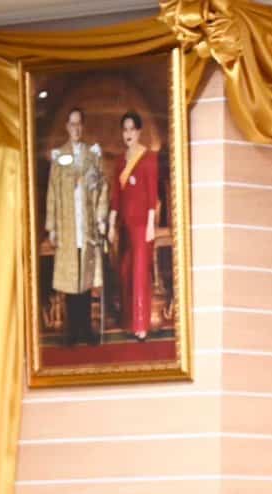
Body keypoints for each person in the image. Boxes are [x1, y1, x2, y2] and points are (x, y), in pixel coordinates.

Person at [45, 107, 108, 346]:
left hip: (87, 225)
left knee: (86, 277)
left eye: (79, 123)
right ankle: (72, 331)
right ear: (66, 127)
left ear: (83, 125)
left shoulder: (92, 155)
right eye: (72, 124)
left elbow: (101, 187)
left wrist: (101, 218)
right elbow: (52, 192)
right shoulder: (59, 156)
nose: (76, 128)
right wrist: (52, 227)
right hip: (68, 226)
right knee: (71, 278)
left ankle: (86, 329)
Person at [109, 111, 159, 341]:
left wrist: (150, 225)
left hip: (141, 226)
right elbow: (116, 197)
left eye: (132, 129)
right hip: (125, 227)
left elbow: (152, 194)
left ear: (139, 131)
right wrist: (111, 224)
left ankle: (141, 326)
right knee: (126, 272)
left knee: (140, 274)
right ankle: (129, 321)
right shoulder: (120, 161)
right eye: (125, 129)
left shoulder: (148, 158)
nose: (128, 133)